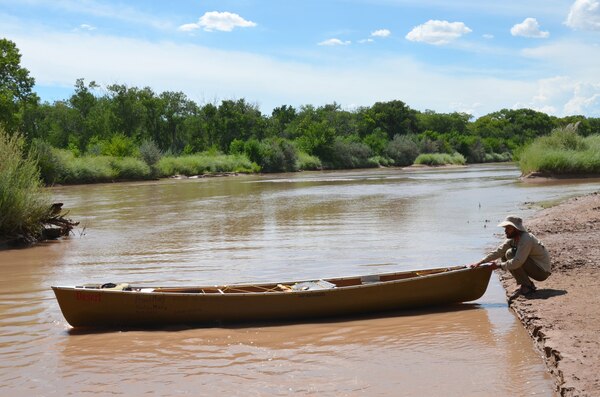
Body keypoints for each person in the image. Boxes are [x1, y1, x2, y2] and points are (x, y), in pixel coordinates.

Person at [471, 215, 551, 296]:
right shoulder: (513, 239)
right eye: (505, 228)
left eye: (508, 228)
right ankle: (525, 284)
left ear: (516, 229)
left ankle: (527, 286)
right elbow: (499, 251)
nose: (505, 231)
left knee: (510, 253)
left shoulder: (526, 239)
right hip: (534, 267)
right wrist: (480, 262)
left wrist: (498, 266)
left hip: (542, 272)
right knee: (505, 254)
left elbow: (517, 262)